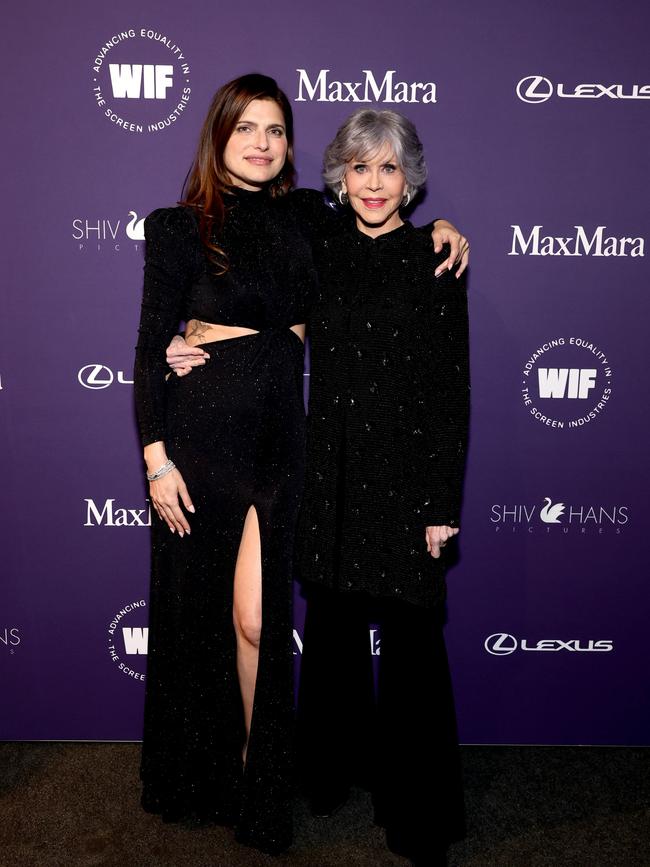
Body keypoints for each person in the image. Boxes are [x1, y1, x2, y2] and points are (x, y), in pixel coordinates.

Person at [140, 74, 468, 855]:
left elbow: (386, 231)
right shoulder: (188, 227)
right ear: (219, 135)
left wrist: (445, 226)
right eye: (247, 126)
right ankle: (228, 770)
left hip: (289, 443)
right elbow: (154, 332)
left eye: (275, 129)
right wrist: (162, 407)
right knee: (215, 620)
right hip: (214, 440)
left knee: (261, 620)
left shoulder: (308, 221)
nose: (261, 141)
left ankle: (274, 771)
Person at [294, 110, 469, 866]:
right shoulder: (320, 247)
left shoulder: (435, 260)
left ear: (410, 179)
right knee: (330, 637)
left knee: (412, 649)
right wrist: (185, 333)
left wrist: (440, 504)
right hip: (331, 476)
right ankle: (329, 774)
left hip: (404, 480)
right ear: (341, 175)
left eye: (388, 168)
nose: (373, 183)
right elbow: (246, 245)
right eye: (360, 168)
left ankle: (419, 810)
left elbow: (450, 391)